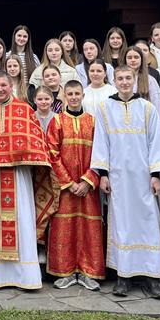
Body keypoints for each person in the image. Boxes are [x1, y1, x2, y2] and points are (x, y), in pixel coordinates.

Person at [91, 65, 160, 299]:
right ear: (114, 81)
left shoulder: (146, 108)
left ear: (135, 80)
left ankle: (153, 277)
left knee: (148, 223)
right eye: (121, 78)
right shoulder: (105, 108)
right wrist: (103, 173)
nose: (125, 82)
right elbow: (101, 142)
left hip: (144, 178)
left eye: (129, 78)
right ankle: (123, 276)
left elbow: (156, 142)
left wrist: (157, 175)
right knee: (121, 225)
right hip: (118, 177)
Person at [0, 72, 54, 291]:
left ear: (11, 86)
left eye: (4, 85)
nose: (0, 89)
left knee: (21, 219)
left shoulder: (24, 110)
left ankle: (24, 276)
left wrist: (19, 155)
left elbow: (36, 142)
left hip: (18, 175)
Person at [45, 80, 104, 291]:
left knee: (90, 228)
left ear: (83, 95)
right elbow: (52, 154)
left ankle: (88, 272)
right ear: (64, 96)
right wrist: (69, 183)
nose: (73, 97)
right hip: (66, 188)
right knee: (64, 227)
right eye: (69, 93)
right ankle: (66, 271)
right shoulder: (57, 122)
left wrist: (88, 181)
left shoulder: (94, 122)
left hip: (88, 187)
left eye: (77, 93)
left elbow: (101, 153)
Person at [124, 46, 160, 122]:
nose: (133, 60)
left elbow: (157, 105)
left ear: (141, 59)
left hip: (145, 122)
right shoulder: (119, 80)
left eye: (136, 57)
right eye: (129, 57)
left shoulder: (150, 80)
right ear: (125, 60)